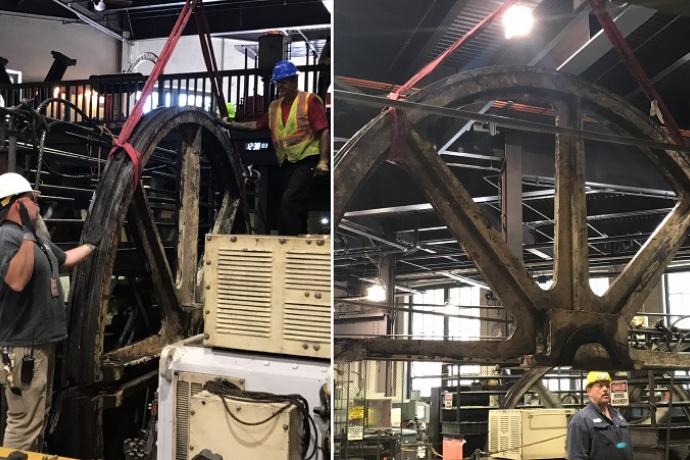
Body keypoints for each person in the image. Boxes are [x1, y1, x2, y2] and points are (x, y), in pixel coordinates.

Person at [0, 172, 97, 451]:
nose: (38, 207)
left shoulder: (37, 240)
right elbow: (17, 279)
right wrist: (28, 233)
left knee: (38, 416)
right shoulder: (8, 236)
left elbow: (65, 261)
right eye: (33, 201)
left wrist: (92, 246)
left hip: (39, 346)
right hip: (22, 349)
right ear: (17, 204)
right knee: (23, 423)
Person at [225, 59, 329, 236]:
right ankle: (300, 244)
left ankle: (285, 241)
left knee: (289, 201)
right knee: (297, 205)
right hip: (286, 162)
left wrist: (324, 161)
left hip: (307, 160)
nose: (279, 86)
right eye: (277, 82)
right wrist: (232, 125)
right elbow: (257, 125)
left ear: (294, 81)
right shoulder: (274, 107)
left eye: (283, 82)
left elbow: (323, 130)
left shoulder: (309, 101)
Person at [567, 371, 633, 460]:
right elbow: (576, 457)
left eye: (607, 386)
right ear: (589, 391)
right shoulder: (581, 420)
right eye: (601, 386)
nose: (605, 389)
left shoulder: (617, 415)